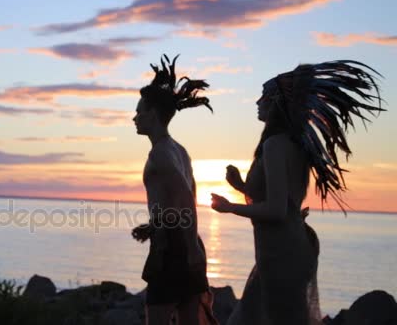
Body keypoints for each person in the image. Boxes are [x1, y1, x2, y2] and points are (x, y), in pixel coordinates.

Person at [210, 60, 385, 325]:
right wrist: (241, 188)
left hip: (282, 254)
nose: (257, 101)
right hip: (282, 251)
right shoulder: (293, 144)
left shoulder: (273, 145)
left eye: (264, 96)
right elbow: (284, 200)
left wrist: (229, 207)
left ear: (277, 102)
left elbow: (277, 210)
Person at [131, 54, 218, 325]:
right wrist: (155, 225)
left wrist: (189, 248)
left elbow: (185, 200)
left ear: (153, 115)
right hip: (183, 242)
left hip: (172, 247)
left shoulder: (160, 155)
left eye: (140, 111)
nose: (135, 117)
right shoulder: (179, 150)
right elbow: (181, 201)